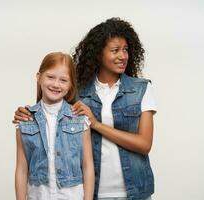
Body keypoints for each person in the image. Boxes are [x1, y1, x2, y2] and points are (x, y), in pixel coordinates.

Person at [14, 18, 157, 200]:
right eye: (115, 50)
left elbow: (144, 144)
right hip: (93, 191)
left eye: (125, 50)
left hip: (135, 191)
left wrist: (96, 124)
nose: (122, 56)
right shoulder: (79, 92)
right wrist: (26, 113)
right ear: (99, 54)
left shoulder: (141, 89)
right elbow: (50, 114)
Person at [15, 52, 94, 200]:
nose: (56, 84)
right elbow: (21, 168)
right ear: (39, 77)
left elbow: (88, 165)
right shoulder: (25, 119)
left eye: (63, 80)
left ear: (71, 85)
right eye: (50, 77)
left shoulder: (79, 119)